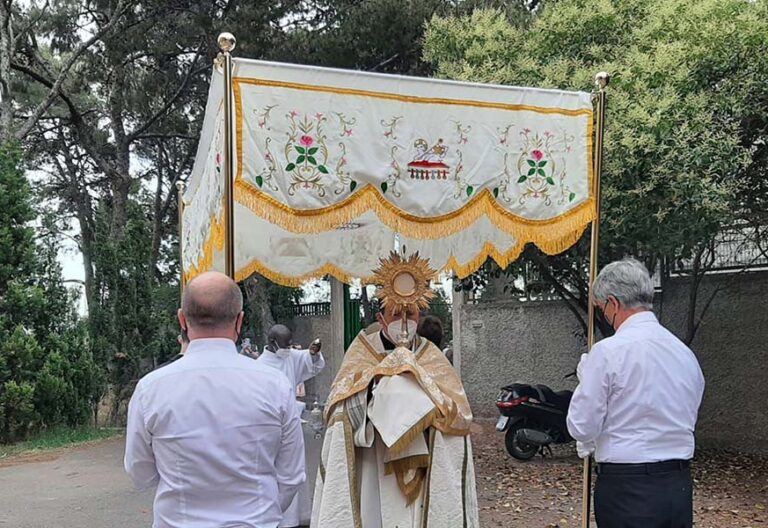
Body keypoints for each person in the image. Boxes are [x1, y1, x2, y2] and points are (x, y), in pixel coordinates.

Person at [124, 271, 305, 528]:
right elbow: (291, 476)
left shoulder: (150, 389)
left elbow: (139, 471)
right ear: (240, 321)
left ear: (182, 320)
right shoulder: (275, 385)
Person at [311, 302, 479, 528]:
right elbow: (337, 404)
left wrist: (421, 395)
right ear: (381, 318)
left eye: (409, 314)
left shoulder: (430, 354)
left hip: (424, 463)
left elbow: (457, 411)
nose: (403, 321)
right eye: (396, 314)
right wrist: (373, 391)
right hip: (371, 459)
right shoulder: (362, 350)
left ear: (419, 316)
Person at [567, 258, 705, 528]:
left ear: (613, 303)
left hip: (627, 488)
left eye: (602, 309)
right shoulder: (684, 353)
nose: (605, 316)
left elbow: (581, 427)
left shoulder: (608, 352)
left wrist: (585, 382)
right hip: (677, 487)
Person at [256, 324, 325, 528]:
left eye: (289, 344)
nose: (288, 349)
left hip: (291, 424)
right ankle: (276, 517)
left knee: (294, 472)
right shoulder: (260, 366)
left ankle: (294, 519)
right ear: (272, 342)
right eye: (285, 345)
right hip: (271, 428)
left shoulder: (289, 357)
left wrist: (313, 354)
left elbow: (309, 361)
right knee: (277, 472)